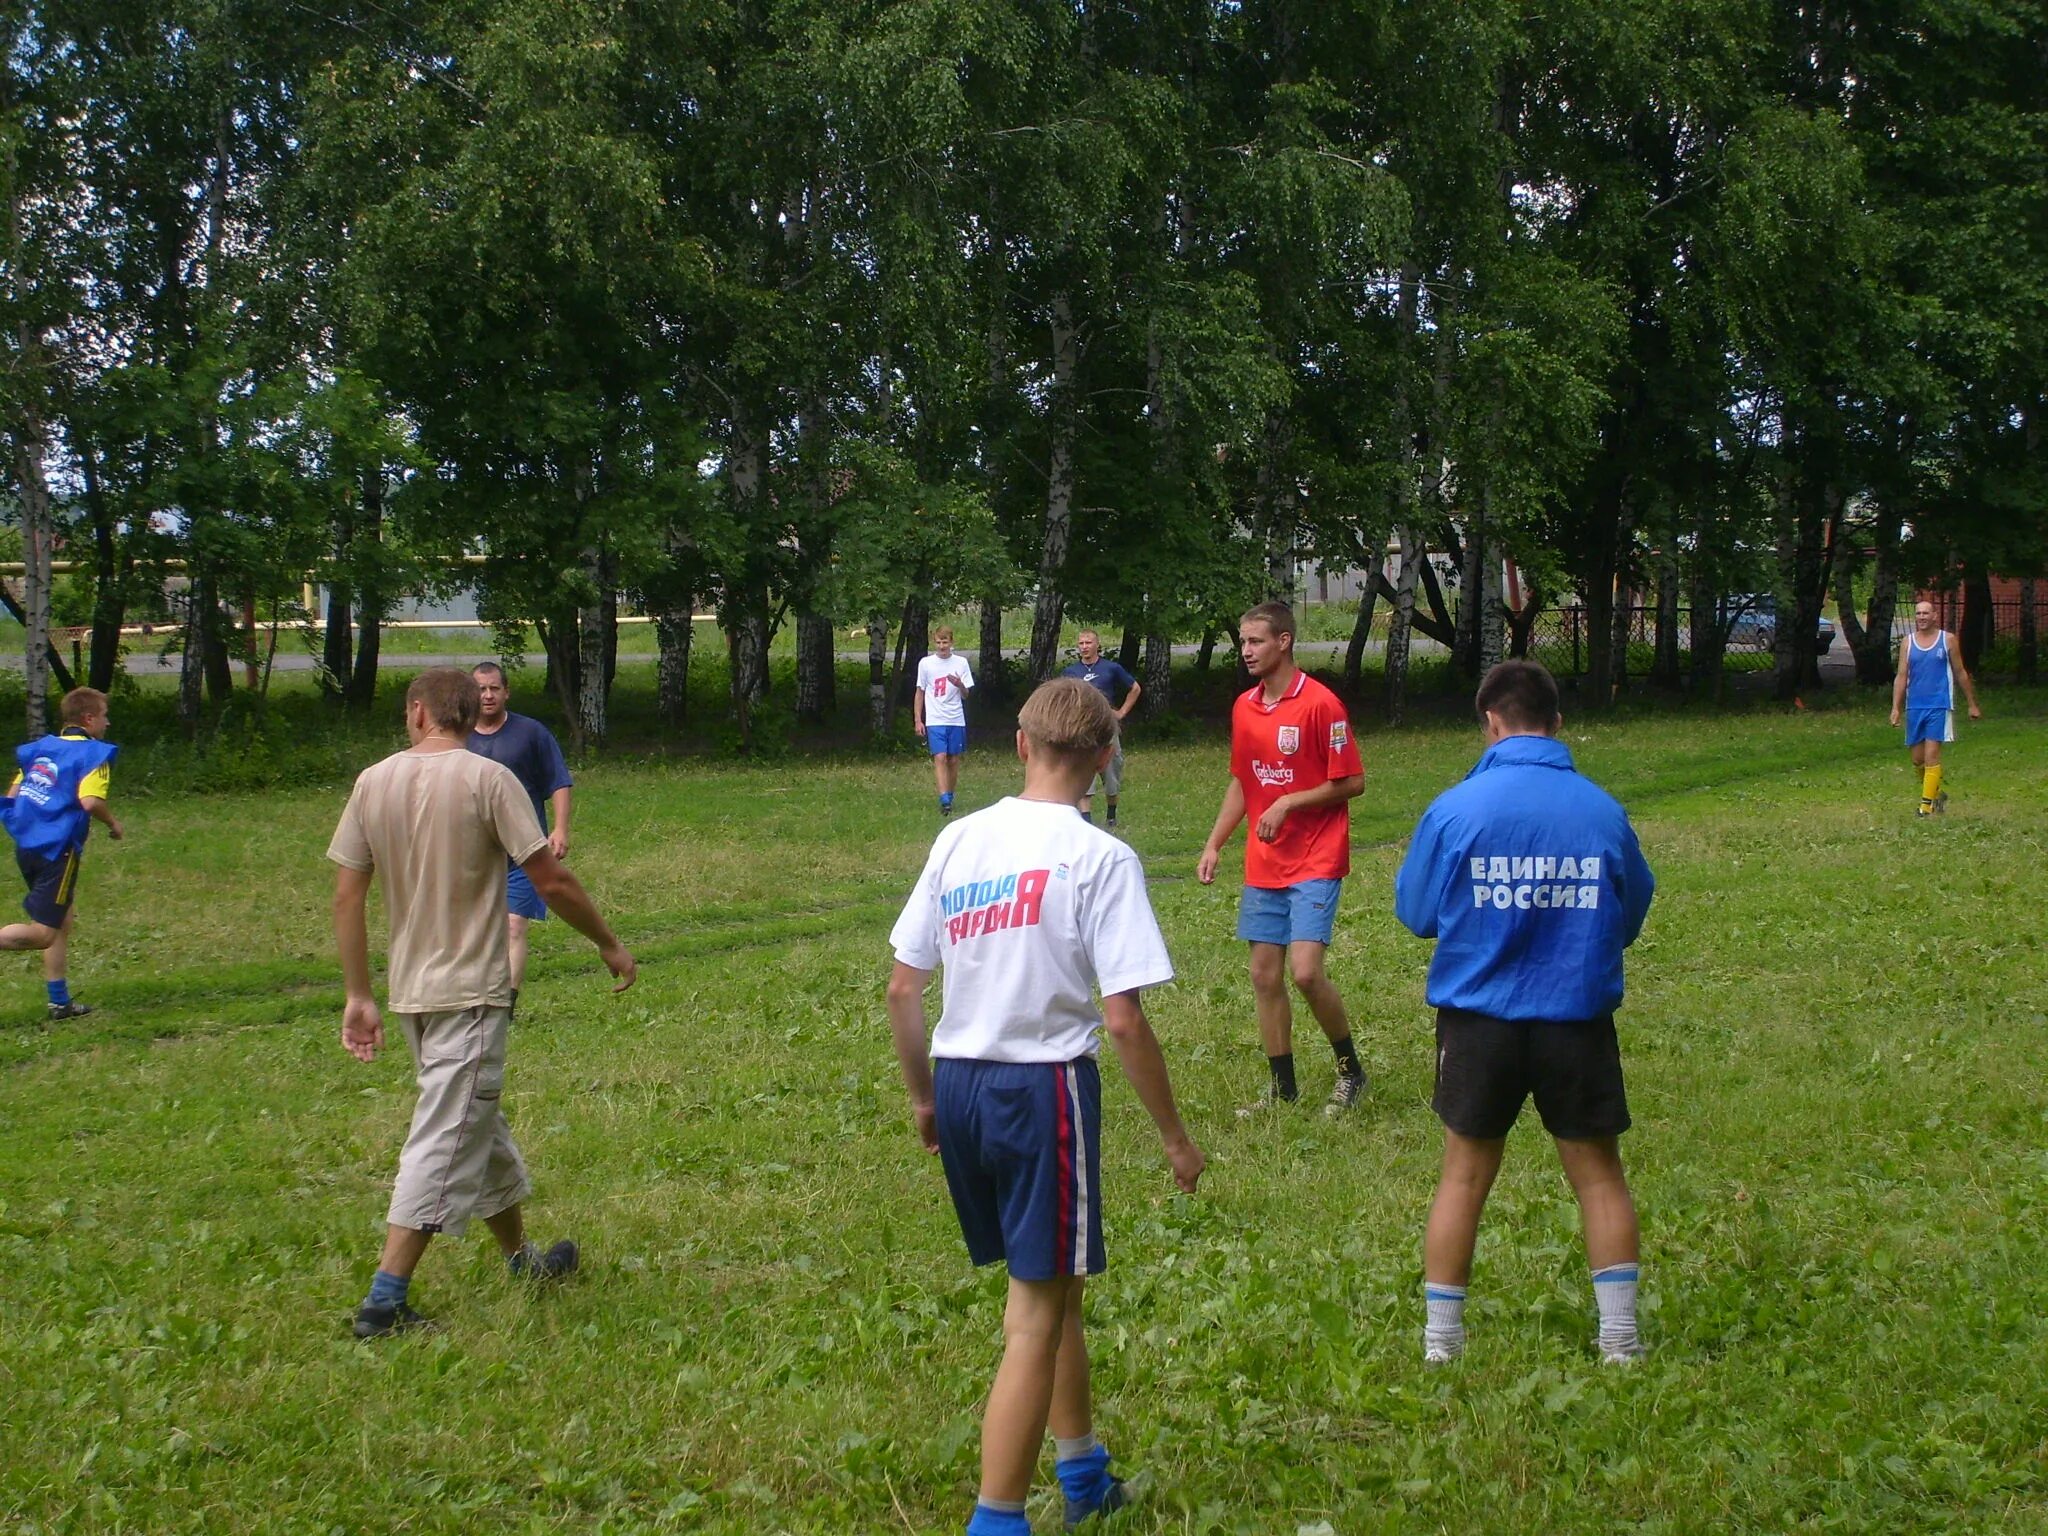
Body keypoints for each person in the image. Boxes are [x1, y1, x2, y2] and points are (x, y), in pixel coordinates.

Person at [886, 678, 1203, 1536]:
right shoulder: (1100, 857)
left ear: (1020, 746)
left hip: (958, 1082)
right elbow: (1125, 1020)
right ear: (1104, 760)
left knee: (1053, 1289)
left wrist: (922, 1097)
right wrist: (1175, 1137)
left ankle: (1083, 1471)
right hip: (1043, 1092)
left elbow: (905, 987)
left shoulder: (960, 839)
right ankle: (996, 1519)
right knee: (1033, 1315)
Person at [330, 667, 635, 1340]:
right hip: (468, 992)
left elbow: (348, 895)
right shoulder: (489, 779)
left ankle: (522, 1262)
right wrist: (609, 943)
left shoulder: (372, 781)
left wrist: (359, 993)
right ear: (471, 716)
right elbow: (549, 878)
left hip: (413, 994)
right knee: (446, 1135)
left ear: (416, 714)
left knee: (477, 1124)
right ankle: (383, 1303)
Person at [1394, 660, 1655, 1364]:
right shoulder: (1602, 810)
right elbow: (1629, 912)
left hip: (1479, 1021)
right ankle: (1620, 1342)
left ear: (1491, 724)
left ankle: (1442, 1345)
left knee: (1464, 1175)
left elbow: (1415, 911)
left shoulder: (1454, 810)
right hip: (1576, 1017)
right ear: (1558, 723)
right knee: (1599, 1175)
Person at [1195, 602, 1369, 1116]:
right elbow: (1242, 780)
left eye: (1256, 641)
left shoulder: (1321, 705)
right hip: (1265, 861)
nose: (1245, 651)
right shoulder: (1245, 706)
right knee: (1263, 975)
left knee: (1307, 972)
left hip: (1316, 856)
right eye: (1243, 642)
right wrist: (1214, 842)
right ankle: (1283, 1088)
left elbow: (1353, 782)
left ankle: (1351, 1072)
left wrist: (1290, 801)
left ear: (1284, 642)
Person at [0, 687, 122, 1021]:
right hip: (58, 851)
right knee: (43, 934)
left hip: (27, 845)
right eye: (104, 716)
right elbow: (91, 802)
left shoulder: (42, 749)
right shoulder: (93, 755)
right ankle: (59, 1002)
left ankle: (59, 1002)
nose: (107, 723)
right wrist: (113, 824)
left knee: (61, 919)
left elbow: (15, 793)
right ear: (88, 719)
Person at [466, 661, 574, 1006]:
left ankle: (504, 1007)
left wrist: (559, 828)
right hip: (473, 851)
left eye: (494, 688)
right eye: (480, 689)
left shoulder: (531, 733)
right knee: (477, 933)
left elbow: (558, 781)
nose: (487, 695)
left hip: (524, 849)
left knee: (513, 926)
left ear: (506, 692)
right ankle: (472, 998)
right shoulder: (457, 736)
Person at [1889, 598, 1982, 817]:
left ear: (1934, 616)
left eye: (1925, 613)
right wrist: (1896, 707)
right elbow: (1901, 676)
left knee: (1932, 756)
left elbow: (1960, 672)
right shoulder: (1908, 642)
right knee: (1917, 760)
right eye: (1918, 613)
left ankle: (1925, 807)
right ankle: (1936, 793)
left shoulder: (1947, 640)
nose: (1921, 617)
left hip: (1939, 705)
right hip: (1915, 707)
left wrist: (1972, 704)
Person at [1059, 630, 1142, 828]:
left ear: (1097, 645)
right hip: (1082, 729)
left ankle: (1111, 816)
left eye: (1088, 642)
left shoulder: (1111, 668)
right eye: (1081, 643)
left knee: (1111, 773)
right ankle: (1086, 820)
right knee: (1083, 769)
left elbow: (1135, 688)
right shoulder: (1071, 672)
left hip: (1106, 726)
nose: (1084, 646)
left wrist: (1121, 712)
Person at [915, 627, 976, 818]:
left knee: (953, 758)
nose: (942, 646)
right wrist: (918, 719)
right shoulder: (926, 664)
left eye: (945, 642)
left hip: (955, 718)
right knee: (940, 756)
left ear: (951, 643)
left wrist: (959, 684)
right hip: (935, 718)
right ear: (934, 643)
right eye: (939, 642)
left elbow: (966, 695)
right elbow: (920, 692)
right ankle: (944, 800)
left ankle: (950, 793)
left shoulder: (961, 663)